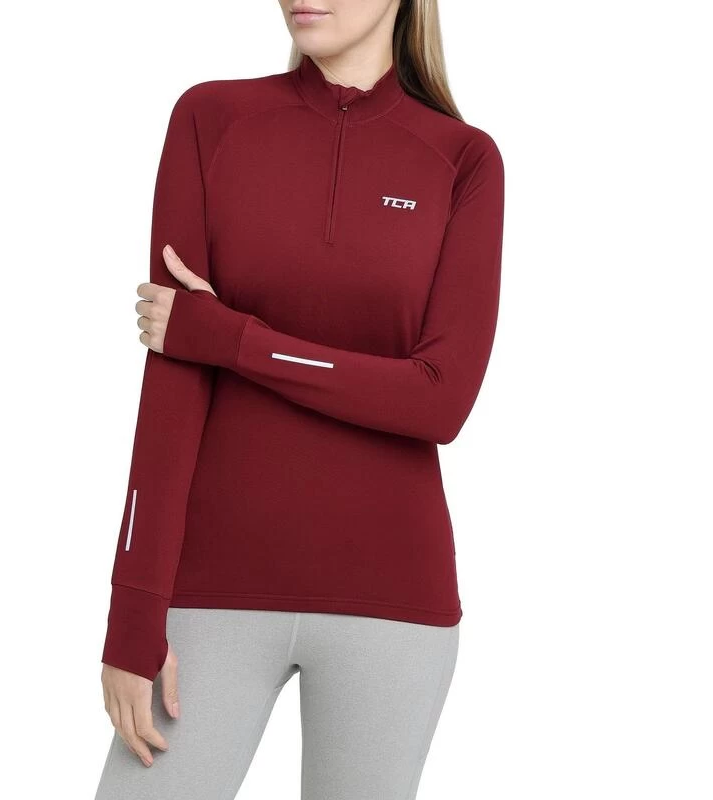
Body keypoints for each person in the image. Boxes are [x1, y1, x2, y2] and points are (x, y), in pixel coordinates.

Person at [95, 0, 504, 797]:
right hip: (209, 590)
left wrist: (231, 339)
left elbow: (439, 401)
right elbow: (171, 385)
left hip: (393, 602)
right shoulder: (212, 119)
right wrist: (132, 608)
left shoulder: (462, 160)